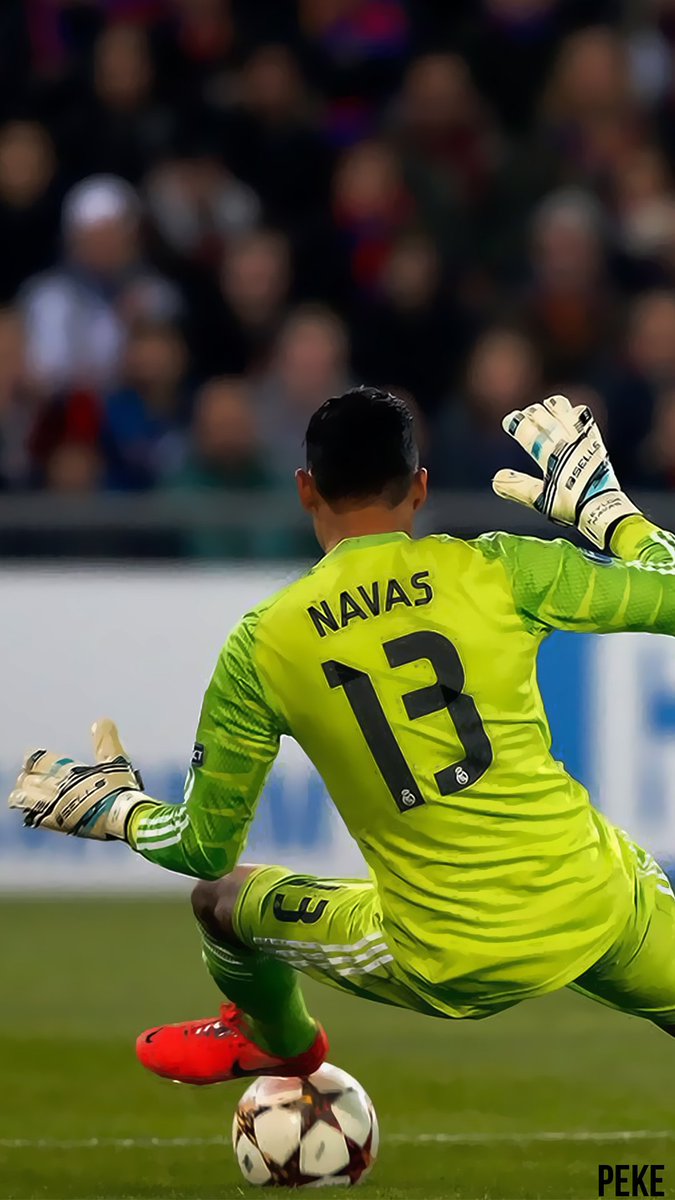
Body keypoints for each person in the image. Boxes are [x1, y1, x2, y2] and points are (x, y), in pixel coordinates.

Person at [10, 387, 675, 1089]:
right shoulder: (500, 570)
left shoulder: (266, 643)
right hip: (592, 903)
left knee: (220, 901)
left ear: (305, 489)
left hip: (447, 953)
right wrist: (611, 514)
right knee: (613, 869)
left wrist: (120, 812)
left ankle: (278, 1040)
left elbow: (203, 848)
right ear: (419, 488)